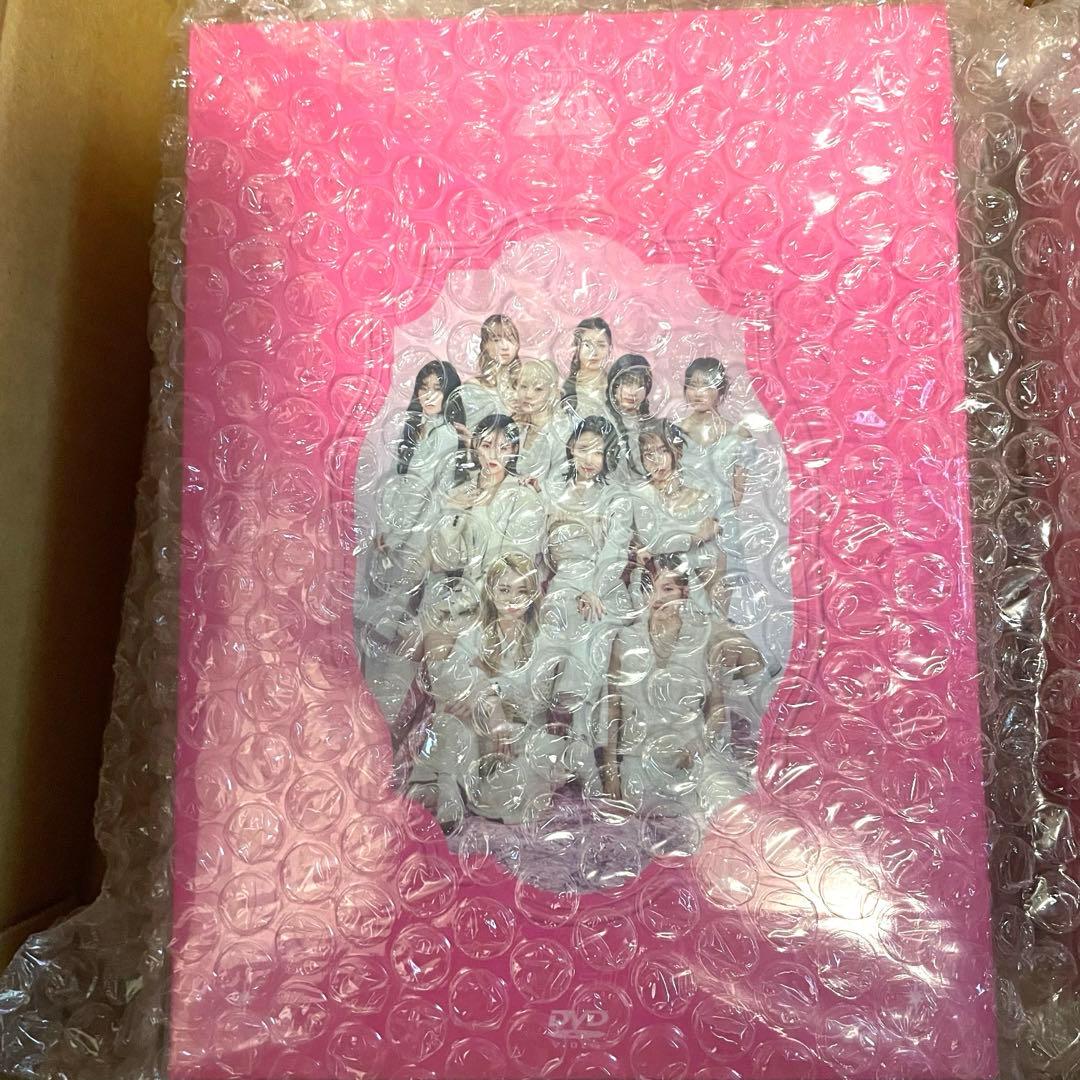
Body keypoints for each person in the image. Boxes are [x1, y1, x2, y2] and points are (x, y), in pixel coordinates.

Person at [408, 554, 567, 829]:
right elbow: (452, 675)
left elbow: (535, 702)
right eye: (504, 590)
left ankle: (482, 792)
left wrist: (491, 695)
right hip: (481, 731)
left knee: (536, 762)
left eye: (522, 591)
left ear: (532, 595)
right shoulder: (477, 632)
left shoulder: (545, 638)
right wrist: (485, 699)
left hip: (520, 736)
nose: (512, 600)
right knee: (455, 715)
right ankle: (450, 798)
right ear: (491, 591)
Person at [355, 359, 464, 729]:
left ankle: (381, 714)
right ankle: (373, 706)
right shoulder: (417, 429)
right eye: (424, 387)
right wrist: (385, 529)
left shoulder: (445, 435)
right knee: (382, 625)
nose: (429, 396)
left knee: (392, 628)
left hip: (416, 542)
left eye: (438, 389)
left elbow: (424, 496)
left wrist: (398, 537)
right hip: (399, 538)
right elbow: (400, 488)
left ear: (450, 394)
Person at [538, 415, 633, 792]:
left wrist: (594, 589)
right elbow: (544, 548)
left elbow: (615, 551)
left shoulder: (616, 496)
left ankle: (589, 757)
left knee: (588, 640)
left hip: (602, 591)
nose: (590, 459)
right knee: (544, 654)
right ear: (570, 449)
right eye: (583, 449)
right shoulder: (554, 490)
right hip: (562, 588)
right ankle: (547, 755)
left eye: (598, 451)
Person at [604, 555, 718, 813]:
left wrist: (697, 748)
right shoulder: (625, 639)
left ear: (684, 592)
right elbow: (612, 709)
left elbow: (716, 707)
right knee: (645, 815)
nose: (657, 598)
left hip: (688, 759)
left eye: (667, 589)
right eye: (649, 589)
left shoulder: (701, 636)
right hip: (638, 761)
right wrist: (611, 774)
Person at [426, 414, 546, 620]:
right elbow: (442, 562)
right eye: (487, 445)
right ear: (475, 446)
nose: (493, 455)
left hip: (499, 607)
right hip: (456, 597)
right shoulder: (461, 493)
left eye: (503, 448)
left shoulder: (523, 495)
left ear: (514, 450)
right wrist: (453, 511)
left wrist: (458, 605)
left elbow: (515, 567)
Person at [509, 356, 573, 486]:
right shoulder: (516, 426)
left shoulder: (561, 430)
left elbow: (560, 482)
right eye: (524, 386)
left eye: (538, 389)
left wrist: (536, 488)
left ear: (552, 392)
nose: (528, 395)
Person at [453, 314, 520, 429]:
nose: (505, 346)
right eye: (496, 340)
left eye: (510, 339)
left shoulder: (525, 386)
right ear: (485, 345)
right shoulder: (473, 388)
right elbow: (471, 430)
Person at [605, 353, 654, 481]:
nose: (633, 392)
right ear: (614, 386)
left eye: (640, 385)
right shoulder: (603, 421)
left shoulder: (652, 425)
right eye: (627, 383)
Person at [561, 316, 613, 422]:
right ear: (576, 347)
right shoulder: (565, 390)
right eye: (587, 345)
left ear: (610, 349)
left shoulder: (616, 389)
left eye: (601, 345)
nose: (594, 352)